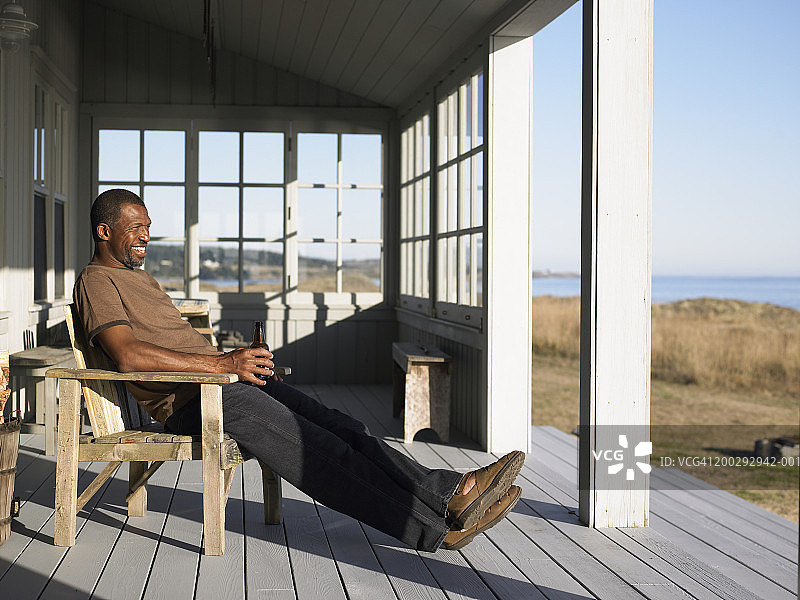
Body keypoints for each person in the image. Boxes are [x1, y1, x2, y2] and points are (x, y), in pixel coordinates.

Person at [73, 188, 524, 552]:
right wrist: (224, 363)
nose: (145, 237)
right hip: (195, 401)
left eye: (148, 228)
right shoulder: (96, 282)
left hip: (222, 382)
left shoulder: (139, 277)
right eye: (135, 229)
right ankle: (434, 530)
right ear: (103, 231)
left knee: (347, 428)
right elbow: (129, 355)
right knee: (321, 451)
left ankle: (448, 495)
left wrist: (242, 360)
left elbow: (170, 342)